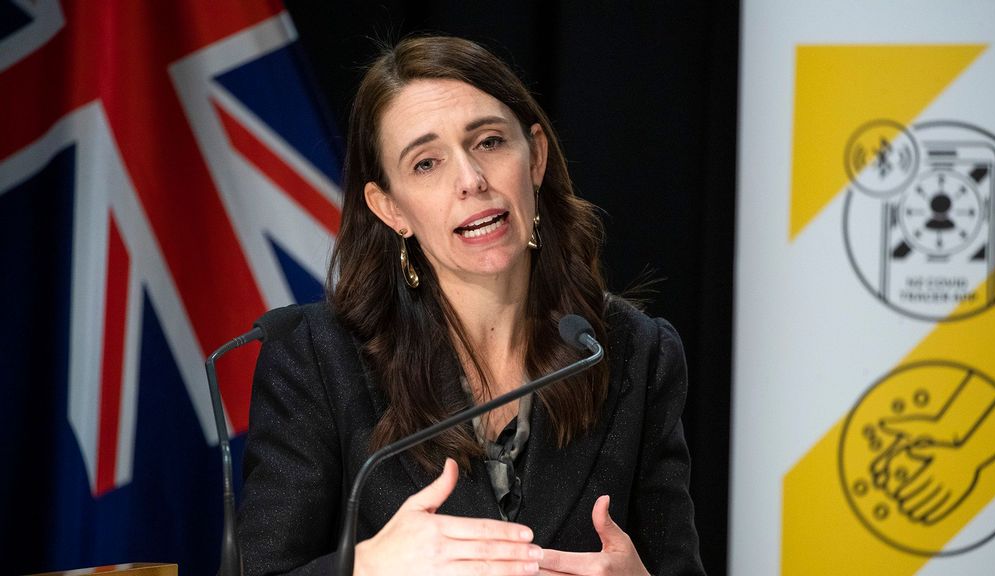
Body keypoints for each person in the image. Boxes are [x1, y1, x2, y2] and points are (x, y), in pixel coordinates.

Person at [237, 35, 705, 576]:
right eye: (427, 163)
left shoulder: (630, 352)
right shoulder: (318, 361)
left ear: (536, 157)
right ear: (390, 209)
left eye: (487, 142)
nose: (471, 180)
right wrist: (364, 567)